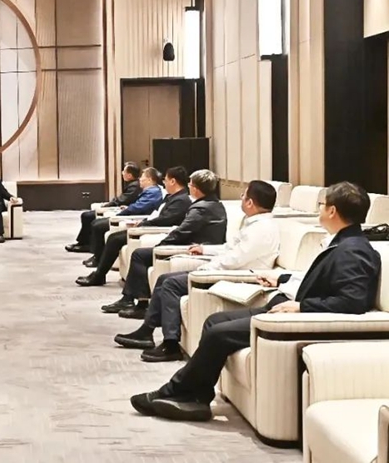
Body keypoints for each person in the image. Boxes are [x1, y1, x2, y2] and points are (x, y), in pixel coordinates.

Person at [131, 181, 380, 422]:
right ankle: (197, 396)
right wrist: (281, 278)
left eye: (322, 205)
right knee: (214, 321)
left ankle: (175, 391)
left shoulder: (354, 250)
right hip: (284, 303)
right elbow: (321, 278)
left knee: (219, 333)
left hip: (295, 317)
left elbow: (352, 301)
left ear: (332, 211)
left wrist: (302, 307)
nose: (319, 209)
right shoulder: (342, 242)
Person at [114, 180, 280, 362]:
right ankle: (146, 331)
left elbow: (234, 260)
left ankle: (170, 344)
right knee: (164, 279)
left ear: (250, 202)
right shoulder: (253, 224)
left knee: (170, 284)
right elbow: (229, 249)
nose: (241, 198)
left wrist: (205, 269)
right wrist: (205, 249)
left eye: (244, 195)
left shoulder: (261, 229)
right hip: (228, 270)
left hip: (240, 277)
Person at [102, 169, 227, 318]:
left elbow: (182, 232)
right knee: (140, 254)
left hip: (195, 247)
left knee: (140, 255)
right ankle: (131, 300)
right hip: (196, 244)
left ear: (196, 188)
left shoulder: (201, 208)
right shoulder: (213, 204)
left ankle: (138, 303)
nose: (189, 186)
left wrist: (161, 245)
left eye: (191, 184)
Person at [75, 166, 192, 287]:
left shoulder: (181, 200)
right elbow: (156, 214)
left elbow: (165, 220)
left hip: (156, 230)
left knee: (115, 239)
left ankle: (99, 276)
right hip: (149, 224)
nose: (164, 183)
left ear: (173, 181)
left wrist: (143, 224)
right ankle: (99, 274)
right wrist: (143, 221)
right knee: (113, 237)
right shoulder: (172, 197)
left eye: (165, 180)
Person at [70, 167, 164, 257]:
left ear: (149, 180)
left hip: (135, 218)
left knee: (98, 226)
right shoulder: (150, 190)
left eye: (142, 177)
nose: (140, 179)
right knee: (96, 223)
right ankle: (95, 254)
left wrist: (119, 214)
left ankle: (96, 256)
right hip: (132, 215)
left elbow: (137, 208)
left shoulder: (153, 192)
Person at [65, 162, 142, 253]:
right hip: (120, 208)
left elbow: (121, 201)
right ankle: (83, 242)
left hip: (121, 210)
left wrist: (106, 205)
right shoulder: (132, 184)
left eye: (124, 171)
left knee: (88, 216)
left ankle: (86, 244)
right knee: (87, 216)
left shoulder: (134, 186)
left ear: (129, 175)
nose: (122, 173)